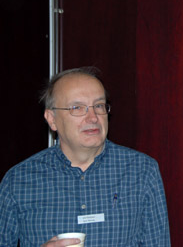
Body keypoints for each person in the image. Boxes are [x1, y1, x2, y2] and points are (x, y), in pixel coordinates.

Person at [0, 67, 170, 246]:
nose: (93, 117)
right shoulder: (18, 181)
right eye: (77, 108)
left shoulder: (141, 171)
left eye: (98, 106)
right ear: (52, 119)